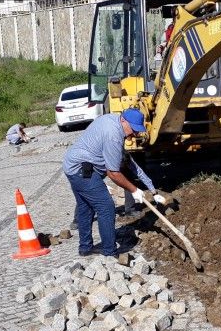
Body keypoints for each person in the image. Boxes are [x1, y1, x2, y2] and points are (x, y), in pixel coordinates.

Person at [63, 109, 161, 257]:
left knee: (85, 207)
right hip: (80, 170)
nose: (133, 134)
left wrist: (152, 189)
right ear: (124, 121)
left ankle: (85, 248)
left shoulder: (113, 121)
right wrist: (134, 190)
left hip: (72, 164)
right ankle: (110, 251)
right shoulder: (114, 136)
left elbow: (131, 164)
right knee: (106, 207)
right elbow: (113, 173)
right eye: (133, 129)